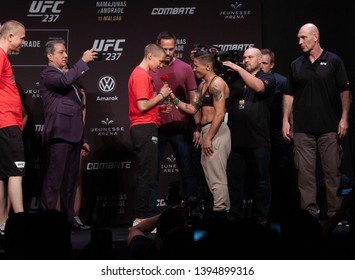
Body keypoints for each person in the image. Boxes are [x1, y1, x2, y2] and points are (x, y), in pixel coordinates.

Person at [282, 23, 351, 220]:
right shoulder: (296, 64)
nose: (300, 42)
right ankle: (309, 218)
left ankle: (335, 216)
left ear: (315, 36)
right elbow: (288, 94)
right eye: (298, 38)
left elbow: (344, 91)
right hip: (302, 130)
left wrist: (344, 118)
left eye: (303, 37)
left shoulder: (333, 61)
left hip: (329, 127)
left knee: (332, 175)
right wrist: (285, 121)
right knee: (305, 177)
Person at [39, 39, 96, 230]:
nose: (66, 55)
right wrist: (83, 61)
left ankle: (69, 218)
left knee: (71, 180)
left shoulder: (69, 80)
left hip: (74, 134)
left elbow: (77, 110)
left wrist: (83, 139)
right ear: (50, 56)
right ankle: (47, 219)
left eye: (66, 52)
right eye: (61, 52)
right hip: (59, 134)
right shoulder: (48, 73)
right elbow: (64, 81)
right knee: (54, 179)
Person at [170, 49, 231, 219]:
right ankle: (217, 212)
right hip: (207, 131)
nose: (193, 69)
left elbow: (219, 114)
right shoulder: (203, 85)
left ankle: (221, 214)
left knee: (217, 176)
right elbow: (191, 108)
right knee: (210, 176)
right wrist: (173, 99)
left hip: (216, 131)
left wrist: (209, 137)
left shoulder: (217, 84)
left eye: (196, 66)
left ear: (208, 66)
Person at [223, 47, 276, 227]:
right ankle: (235, 217)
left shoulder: (267, 77)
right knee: (235, 183)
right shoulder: (235, 79)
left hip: (258, 140)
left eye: (250, 57)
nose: (245, 60)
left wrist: (239, 69)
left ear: (260, 60)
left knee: (261, 182)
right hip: (236, 140)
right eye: (244, 57)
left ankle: (261, 217)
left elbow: (259, 88)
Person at [149, 31, 199, 216]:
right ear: (157, 48)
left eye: (171, 49)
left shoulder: (185, 68)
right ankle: (151, 214)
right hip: (157, 127)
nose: (168, 52)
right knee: (153, 173)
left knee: (187, 171)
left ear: (176, 48)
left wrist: (198, 127)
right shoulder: (150, 68)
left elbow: (194, 101)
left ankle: (191, 212)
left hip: (181, 128)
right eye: (164, 49)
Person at [128, 43, 172, 226]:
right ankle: (141, 219)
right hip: (144, 128)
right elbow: (142, 106)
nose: (161, 65)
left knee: (149, 174)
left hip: (147, 126)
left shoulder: (144, 75)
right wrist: (161, 95)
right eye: (160, 61)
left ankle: (142, 218)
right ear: (150, 57)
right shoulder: (139, 75)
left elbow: (146, 104)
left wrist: (159, 106)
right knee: (147, 175)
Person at [260, 48, 298, 222]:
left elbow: (289, 105)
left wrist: (290, 126)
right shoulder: (252, 81)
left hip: (277, 131)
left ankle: (285, 210)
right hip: (259, 133)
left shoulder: (282, 81)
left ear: (272, 65)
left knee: (281, 170)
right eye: (259, 63)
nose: (261, 66)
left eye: (265, 63)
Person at [0, 20, 26, 236]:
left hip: (6, 123)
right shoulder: (0, 55)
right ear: (10, 37)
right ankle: (21, 223)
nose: (24, 42)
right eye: (22, 38)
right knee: (16, 173)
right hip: (6, 123)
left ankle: (2, 223)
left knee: (2, 176)